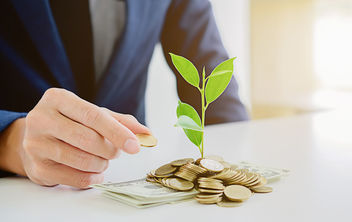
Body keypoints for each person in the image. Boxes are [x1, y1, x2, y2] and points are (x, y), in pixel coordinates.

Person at [0, 0, 248, 188]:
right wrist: (10, 140)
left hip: (134, 188)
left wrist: (239, 164)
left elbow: (211, 80)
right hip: (19, 196)